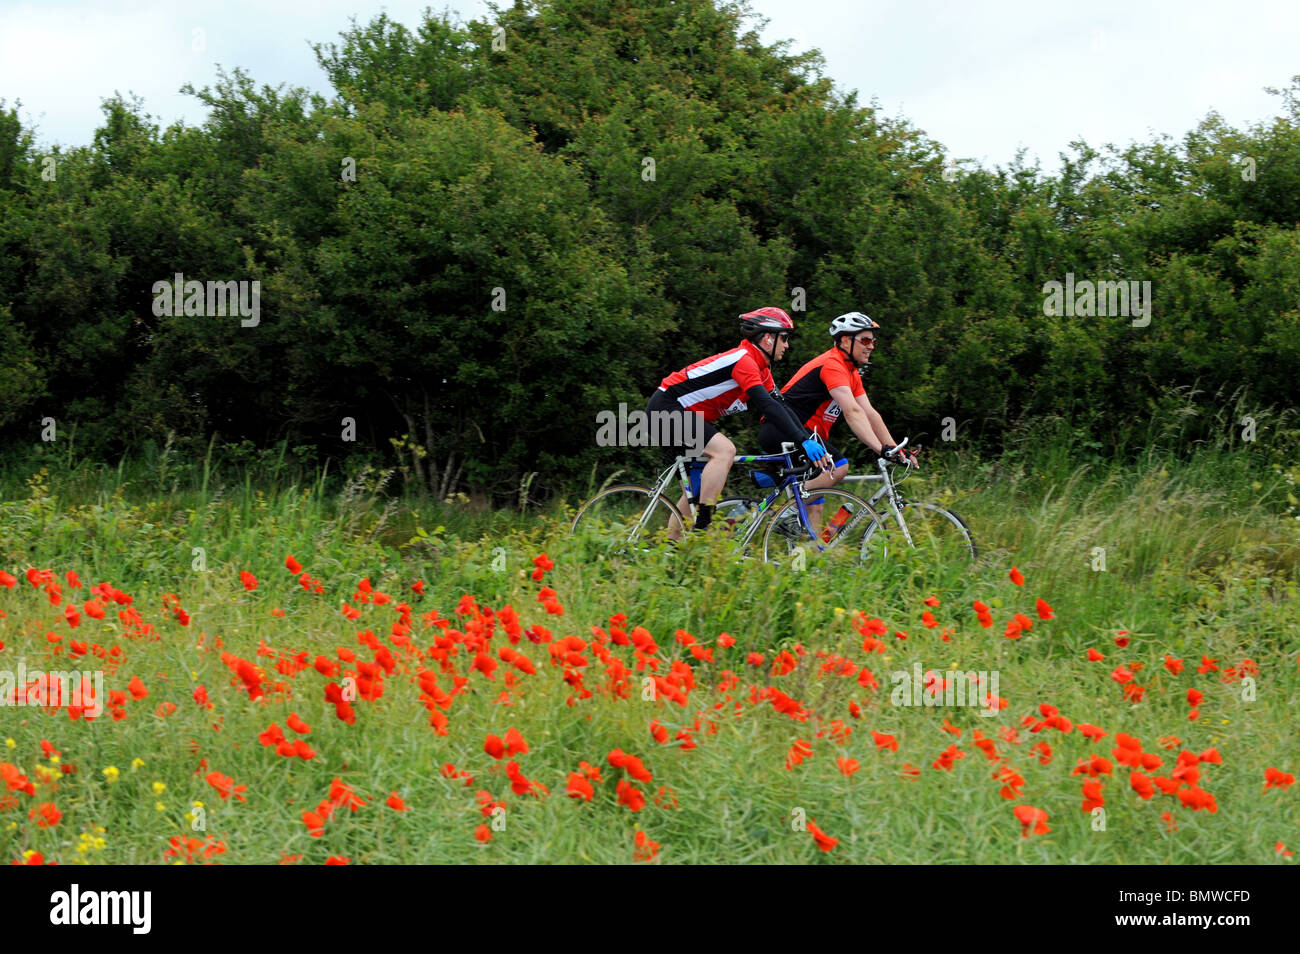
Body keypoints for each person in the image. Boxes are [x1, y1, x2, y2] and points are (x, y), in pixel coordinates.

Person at [645, 307, 833, 536]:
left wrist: (806, 439)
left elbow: (781, 406)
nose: (787, 345)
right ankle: (703, 527)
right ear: (767, 338)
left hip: (680, 413)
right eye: (784, 338)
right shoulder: (744, 361)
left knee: (695, 491)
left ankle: (672, 550)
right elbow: (767, 406)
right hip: (666, 408)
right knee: (724, 451)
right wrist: (803, 441)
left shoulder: (762, 369)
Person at [758, 311, 918, 530]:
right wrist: (879, 449)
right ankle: (785, 513)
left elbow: (869, 413)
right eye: (865, 340)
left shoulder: (851, 372)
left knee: (815, 508)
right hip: (784, 431)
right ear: (845, 340)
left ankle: (809, 559)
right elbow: (852, 412)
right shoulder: (832, 364)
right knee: (839, 467)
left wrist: (894, 449)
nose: (871, 346)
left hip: (803, 436)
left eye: (873, 341)